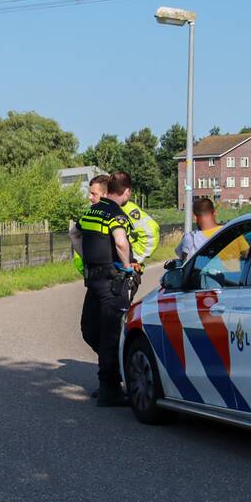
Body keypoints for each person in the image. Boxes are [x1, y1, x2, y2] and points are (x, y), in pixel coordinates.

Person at [78, 170, 135, 407]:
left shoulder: (93, 211)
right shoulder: (116, 215)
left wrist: (86, 257)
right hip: (112, 282)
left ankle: (107, 384)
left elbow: (75, 233)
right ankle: (110, 387)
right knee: (109, 335)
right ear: (127, 192)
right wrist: (127, 265)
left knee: (90, 329)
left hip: (94, 279)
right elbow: (121, 241)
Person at [70, 174, 110, 275]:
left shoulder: (91, 214)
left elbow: (73, 234)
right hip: (107, 275)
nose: (89, 197)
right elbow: (73, 234)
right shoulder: (92, 213)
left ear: (106, 194)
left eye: (94, 194)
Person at [175, 197, 222, 262]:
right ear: (215, 213)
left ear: (195, 218)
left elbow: (184, 263)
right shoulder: (232, 232)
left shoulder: (190, 238)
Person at [120, 197, 160, 270]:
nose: (91, 197)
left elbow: (151, 231)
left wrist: (134, 258)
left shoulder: (125, 207)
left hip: (121, 268)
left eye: (94, 194)